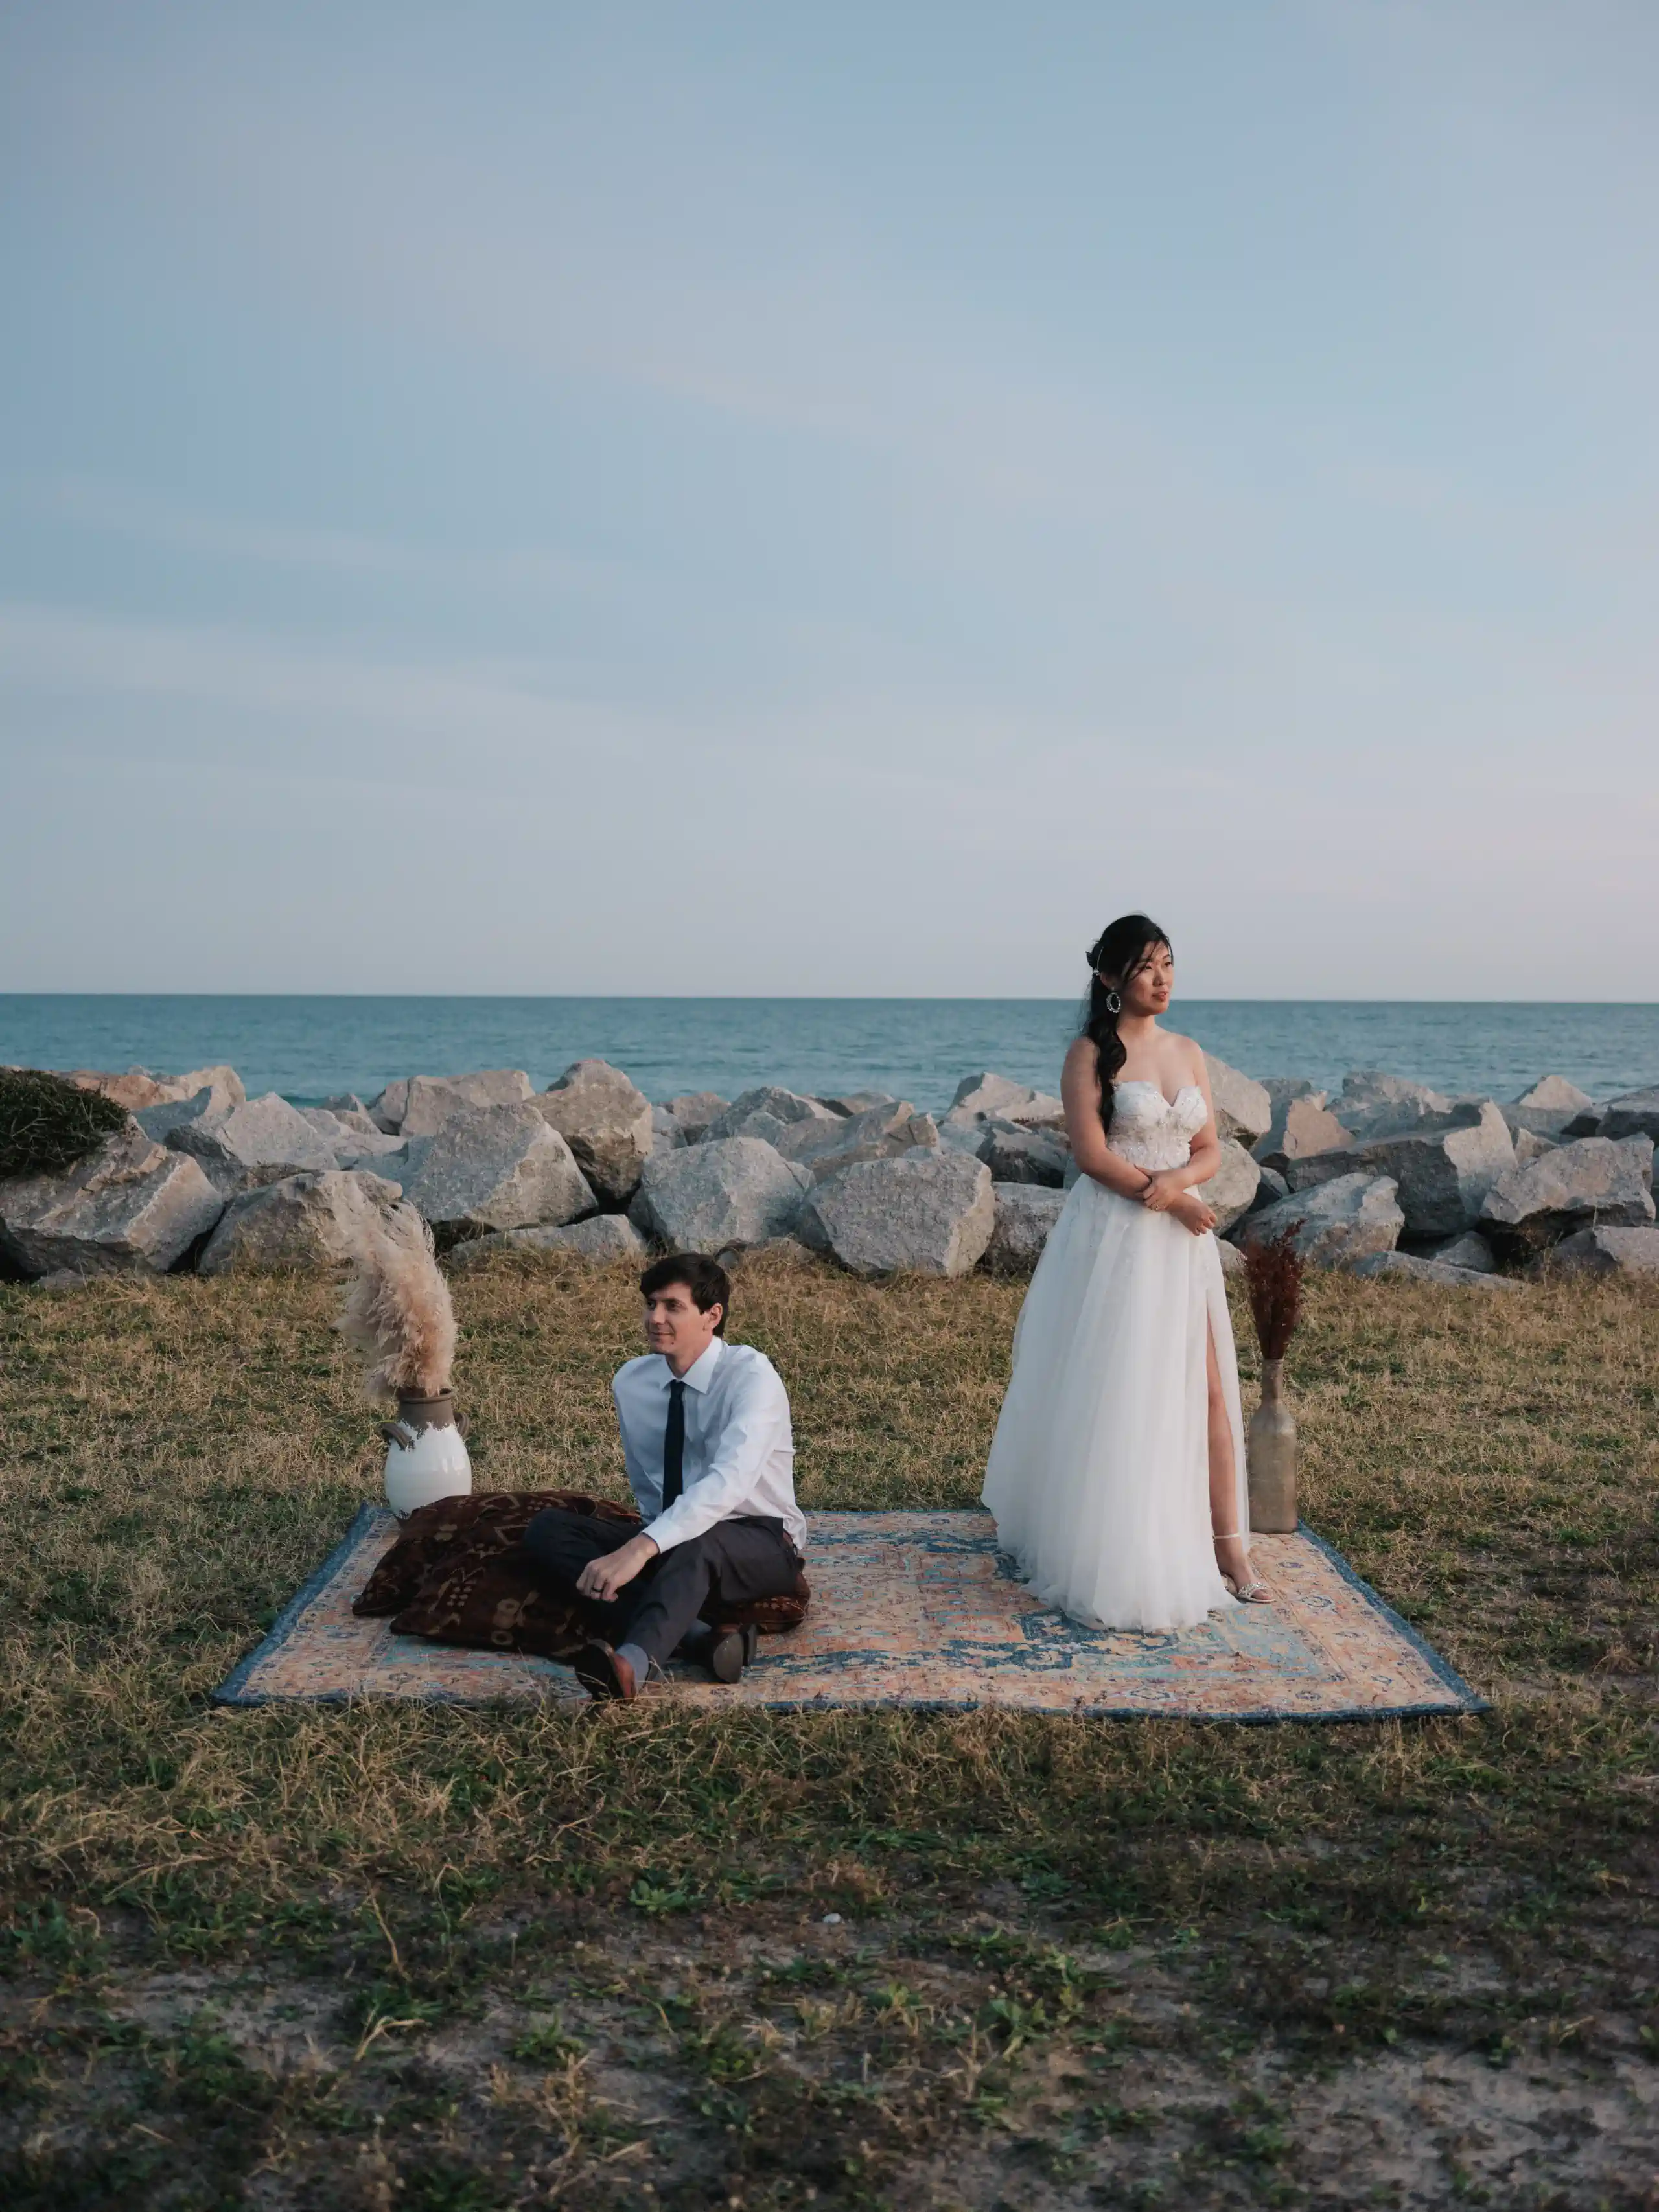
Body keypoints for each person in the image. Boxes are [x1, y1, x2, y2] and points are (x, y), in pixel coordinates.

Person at [981, 913, 1269, 1631]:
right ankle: (1116, 1544)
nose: (1162, 978)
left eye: (1168, 962)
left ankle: (1230, 1551)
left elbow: (1208, 1148)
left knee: (1207, 1390)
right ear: (1110, 978)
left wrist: (1185, 1189)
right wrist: (1167, 1198)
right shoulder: (1089, 1055)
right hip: (1119, 1233)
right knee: (1124, 1385)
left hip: (1182, 1240)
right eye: (1145, 966)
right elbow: (1090, 1154)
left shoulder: (1187, 1048)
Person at [522, 1252, 806, 1701]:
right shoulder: (632, 1381)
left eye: (673, 1307)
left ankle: (632, 1665)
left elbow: (729, 1481)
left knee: (695, 1542)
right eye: (651, 1304)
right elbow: (647, 1481)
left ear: (713, 1316)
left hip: (761, 1540)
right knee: (549, 1531)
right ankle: (701, 1638)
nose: (655, 1318)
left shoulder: (753, 1378)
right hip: (674, 1534)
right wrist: (646, 1541)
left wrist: (641, 1549)